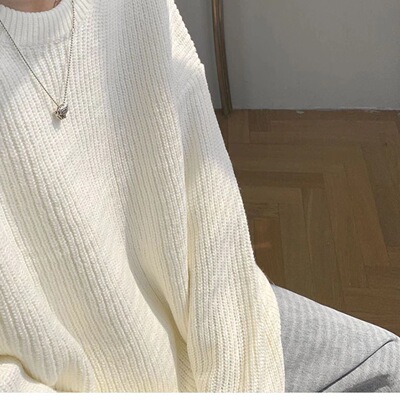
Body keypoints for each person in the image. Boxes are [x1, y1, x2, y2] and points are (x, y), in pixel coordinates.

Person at [0, 0, 399, 393]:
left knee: (389, 368)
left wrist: (233, 378)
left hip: (203, 320)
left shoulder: (139, 8)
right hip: (56, 375)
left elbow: (212, 216)